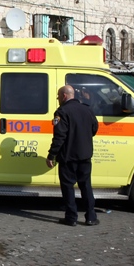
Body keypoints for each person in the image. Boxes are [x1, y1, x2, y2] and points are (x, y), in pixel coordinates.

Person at [46, 85, 99, 227]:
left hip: (68, 157)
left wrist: (51, 155)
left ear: (64, 96)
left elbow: (59, 136)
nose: (57, 99)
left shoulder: (62, 111)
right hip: (85, 155)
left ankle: (71, 218)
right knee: (86, 186)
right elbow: (94, 129)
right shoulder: (87, 110)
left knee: (68, 187)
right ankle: (91, 217)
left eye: (58, 96)